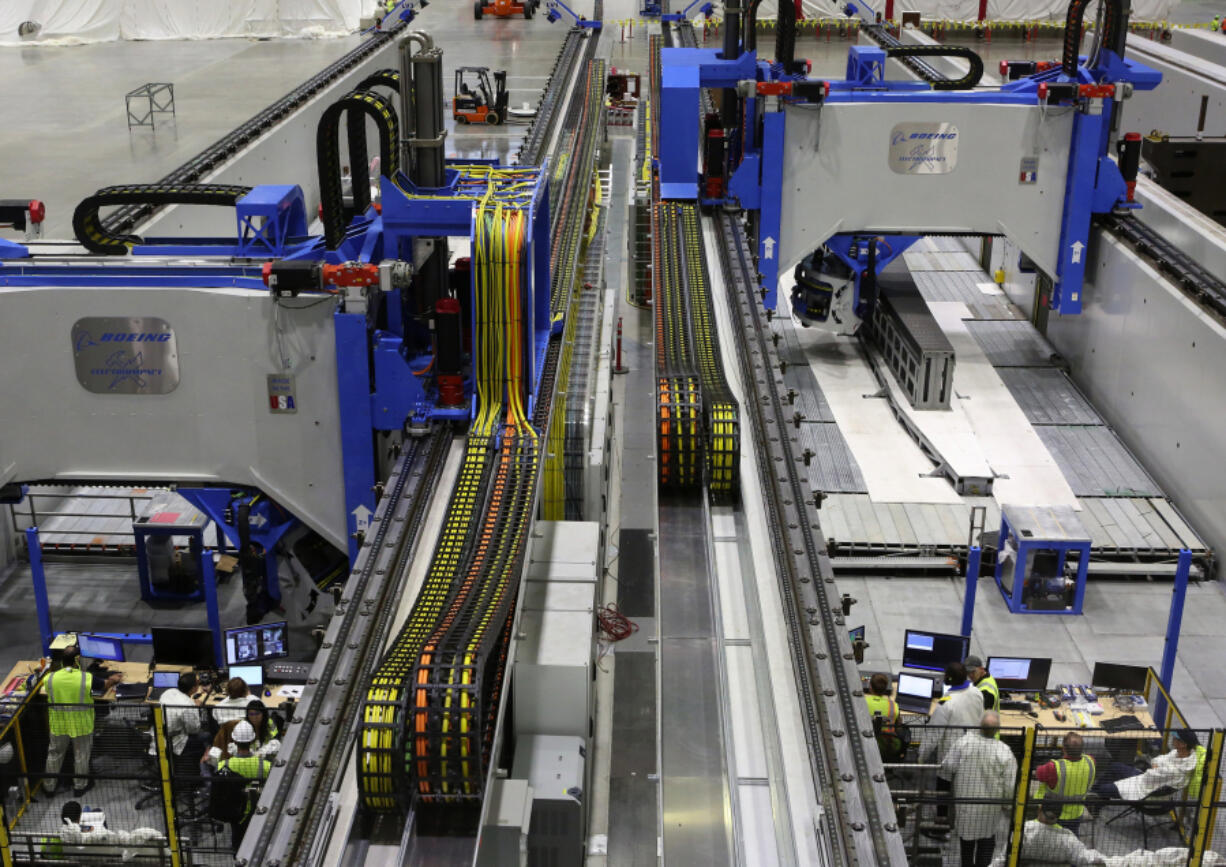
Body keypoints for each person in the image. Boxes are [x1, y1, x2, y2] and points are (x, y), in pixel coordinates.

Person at [939, 711, 1017, 867]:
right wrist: (1007, 805)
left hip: (966, 806)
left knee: (966, 845)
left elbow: (947, 766)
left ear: (979, 727)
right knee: (987, 843)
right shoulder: (1004, 751)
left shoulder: (964, 742)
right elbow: (1010, 784)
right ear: (997, 730)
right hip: (989, 810)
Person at [43, 647, 119, 797]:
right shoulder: (85, 678)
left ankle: (49, 788)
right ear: (77, 660)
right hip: (81, 724)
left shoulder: (49, 678)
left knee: (54, 755)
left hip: (59, 724)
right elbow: (105, 685)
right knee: (81, 755)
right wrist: (114, 679)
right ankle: (79, 787)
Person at [920, 661, 986, 836]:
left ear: (947, 679)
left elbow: (933, 735)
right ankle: (963, 826)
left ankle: (941, 829)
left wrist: (921, 757)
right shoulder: (977, 693)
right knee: (964, 789)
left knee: (943, 792)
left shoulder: (946, 703)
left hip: (951, 756)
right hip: (973, 750)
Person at [988, 799, 1106, 866]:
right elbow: (1085, 857)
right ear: (1059, 816)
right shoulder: (1068, 838)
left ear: (1040, 809)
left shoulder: (1023, 831)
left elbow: (1003, 859)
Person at [1093, 729, 1198, 802]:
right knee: (1115, 766)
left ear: (1183, 744)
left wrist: (1157, 767)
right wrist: (1158, 767)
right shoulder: (1176, 753)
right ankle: (1097, 796)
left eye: (1175, 738)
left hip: (1146, 788)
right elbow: (1157, 760)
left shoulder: (1178, 769)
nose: (1173, 739)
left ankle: (1095, 797)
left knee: (1103, 788)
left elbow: (1151, 775)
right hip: (1146, 777)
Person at [216, 721, 270, 851]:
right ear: (252, 741)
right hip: (258, 811)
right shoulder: (266, 765)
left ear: (234, 740)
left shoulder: (223, 766)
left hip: (236, 812)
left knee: (238, 846)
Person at [55, 800, 166, 862]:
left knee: (93, 810)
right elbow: (126, 839)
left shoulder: (61, 836)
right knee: (96, 811)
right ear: (79, 818)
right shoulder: (102, 835)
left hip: (80, 858)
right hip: (103, 853)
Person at [1034, 731, 1096, 835]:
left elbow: (1038, 774)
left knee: (1050, 840)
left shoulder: (1054, 768)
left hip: (1053, 815)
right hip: (1076, 813)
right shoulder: (1091, 762)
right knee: (1071, 839)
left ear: (1063, 749)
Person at [206, 699, 281, 766]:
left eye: (257, 713)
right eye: (251, 714)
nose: (254, 717)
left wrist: (261, 753)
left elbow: (276, 742)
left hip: (265, 757)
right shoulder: (244, 725)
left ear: (263, 714)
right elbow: (237, 745)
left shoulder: (269, 723)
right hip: (247, 757)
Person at [159, 672, 207, 765]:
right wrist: (196, 710)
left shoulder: (169, 692)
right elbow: (194, 730)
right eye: (197, 683)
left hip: (162, 735)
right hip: (178, 741)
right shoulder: (188, 705)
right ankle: (202, 762)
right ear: (194, 688)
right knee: (207, 736)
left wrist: (191, 703)